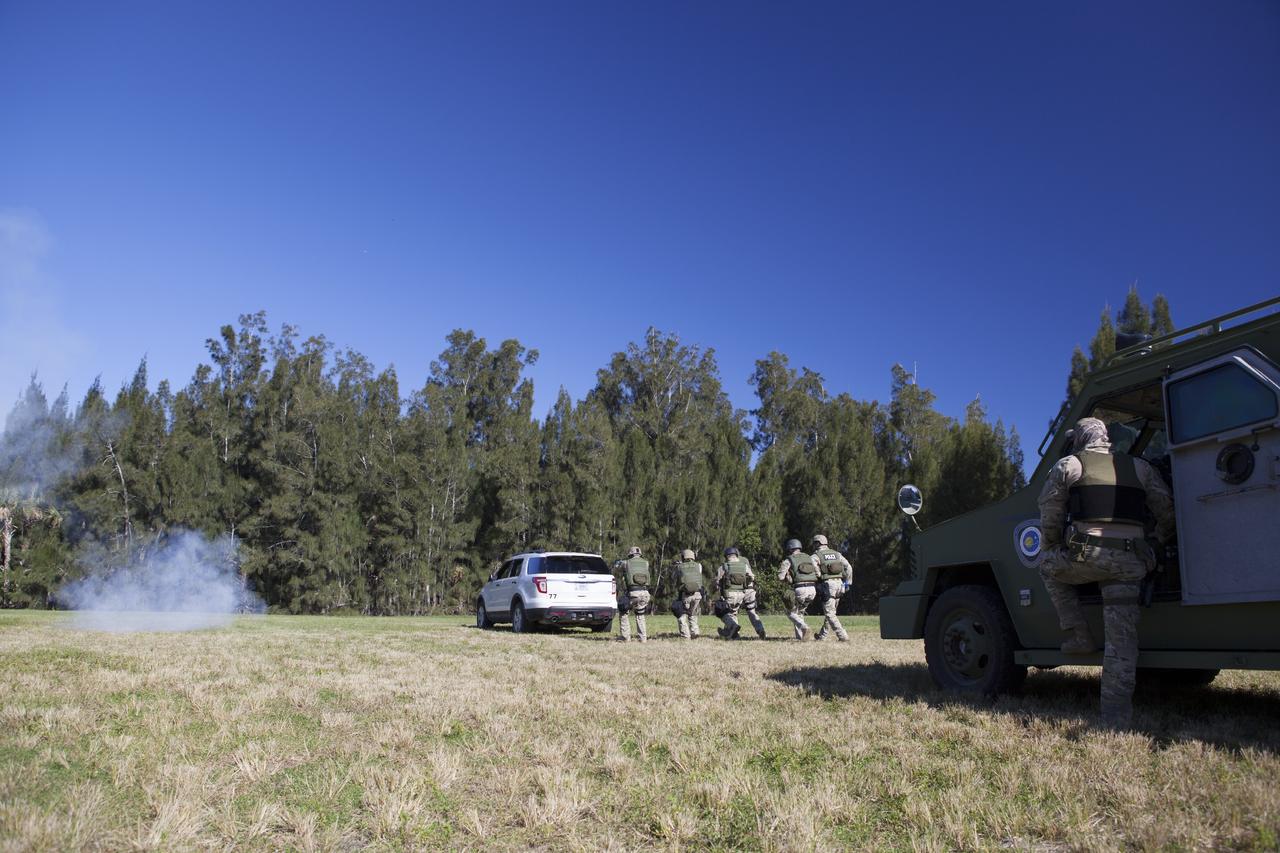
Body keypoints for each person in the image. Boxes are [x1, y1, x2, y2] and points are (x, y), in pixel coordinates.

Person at [1038, 416, 1174, 727]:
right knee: (1121, 644)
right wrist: (1154, 542)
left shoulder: (1069, 465)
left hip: (1086, 559)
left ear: (1079, 439)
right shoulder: (1139, 467)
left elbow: (1050, 517)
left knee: (1046, 565)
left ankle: (1079, 634)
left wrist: (1054, 546)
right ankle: (1115, 718)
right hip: (1129, 565)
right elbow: (1167, 512)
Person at [714, 547, 766, 640]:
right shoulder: (744, 565)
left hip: (730, 594)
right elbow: (752, 577)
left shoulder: (724, 566)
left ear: (726, 556)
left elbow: (717, 581)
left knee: (723, 611)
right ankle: (734, 633)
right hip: (742, 593)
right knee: (751, 611)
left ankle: (733, 629)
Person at [811, 534, 852, 642]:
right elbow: (848, 567)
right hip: (840, 584)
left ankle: (842, 635)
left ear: (818, 543)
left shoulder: (816, 556)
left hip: (828, 585)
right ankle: (822, 636)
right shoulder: (837, 554)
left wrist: (819, 577)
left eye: (814, 543)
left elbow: (815, 571)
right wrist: (847, 583)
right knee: (831, 612)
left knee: (829, 613)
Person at [777, 538, 818, 640]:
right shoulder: (809, 558)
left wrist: (788, 577)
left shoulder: (789, 560)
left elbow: (780, 577)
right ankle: (800, 637)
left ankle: (804, 627)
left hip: (800, 589)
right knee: (799, 612)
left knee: (790, 612)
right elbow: (818, 573)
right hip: (812, 589)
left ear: (790, 548)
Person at [615, 546, 651, 643]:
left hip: (633, 593)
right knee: (640, 615)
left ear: (630, 554)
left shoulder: (626, 563)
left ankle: (625, 637)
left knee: (623, 612)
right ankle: (643, 638)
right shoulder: (646, 563)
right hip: (645, 593)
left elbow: (616, 567)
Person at [671, 548, 706, 640]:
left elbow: (674, 578)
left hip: (686, 595)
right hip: (698, 594)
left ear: (683, 557)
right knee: (692, 613)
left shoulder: (679, 567)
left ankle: (685, 635)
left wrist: (677, 567)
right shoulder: (699, 565)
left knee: (682, 615)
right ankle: (695, 632)